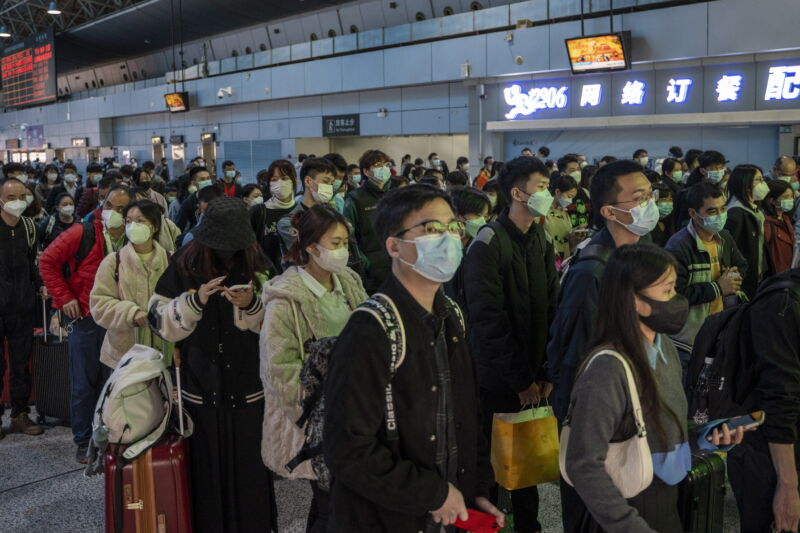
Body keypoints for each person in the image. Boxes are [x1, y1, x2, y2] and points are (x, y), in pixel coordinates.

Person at [324, 184, 502, 532]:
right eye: (432, 229)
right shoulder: (372, 328)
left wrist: (474, 490)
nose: (449, 238)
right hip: (388, 519)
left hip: (448, 513)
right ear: (394, 246)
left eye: (452, 227)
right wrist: (432, 493)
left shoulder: (451, 314)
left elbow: (465, 414)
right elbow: (347, 450)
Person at [563, 243, 746, 533]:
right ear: (634, 300)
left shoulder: (666, 350)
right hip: (625, 507)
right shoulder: (608, 368)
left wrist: (706, 435)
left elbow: (659, 426)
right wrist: (627, 525)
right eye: (668, 290)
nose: (677, 300)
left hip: (666, 498)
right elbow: (582, 462)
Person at [148, 197, 275, 532]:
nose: (227, 253)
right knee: (204, 480)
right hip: (199, 392)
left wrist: (251, 305)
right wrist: (196, 301)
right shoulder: (184, 264)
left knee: (249, 478)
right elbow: (158, 320)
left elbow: (279, 326)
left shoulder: (258, 263)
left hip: (249, 393)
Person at [464, 156, 559, 533]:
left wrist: (546, 372)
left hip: (536, 374)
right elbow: (488, 322)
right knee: (491, 462)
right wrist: (520, 380)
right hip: (499, 379)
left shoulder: (541, 237)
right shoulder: (487, 243)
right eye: (541, 187)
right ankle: (486, 525)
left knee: (527, 460)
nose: (547, 194)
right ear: (517, 193)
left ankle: (529, 526)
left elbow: (553, 307)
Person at [260, 205, 367, 533]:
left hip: (357, 410)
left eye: (346, 242)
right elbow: (279, 370)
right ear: (310, 247)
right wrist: (319, 418)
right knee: (330, 504)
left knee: (339, 502)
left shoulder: (347, 282)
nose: (343, 251)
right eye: (335, 243)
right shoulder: (285, 300)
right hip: (316, 421)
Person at [39, 185, 132, 462]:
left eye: (121, 209)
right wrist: (64, 296)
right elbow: (47, 262)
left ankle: (111, 434)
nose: (114, 213)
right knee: (83, 382)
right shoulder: (83, 232)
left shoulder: (133, 236)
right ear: (101, 206)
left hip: (118, 318)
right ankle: (84, 440)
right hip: (85, 317)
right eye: (110, 206)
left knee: (113, 380)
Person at [665, 181, 746, 381]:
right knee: (689, 398)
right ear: (693, 213)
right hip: (688, 340)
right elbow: (673, 295)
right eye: (711, 211)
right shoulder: (678, 247)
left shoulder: (724, 238)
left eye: (722, 209)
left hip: (720, 331)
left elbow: (742, 265)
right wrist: (717, 288)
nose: (719, 215)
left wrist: (735, 275)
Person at [89, 200, 171, 369]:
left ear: (154, 226)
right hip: (124, 353)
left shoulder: (171, 260)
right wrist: (131, 313)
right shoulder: (113, 261)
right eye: (128, 221)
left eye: (140, 221)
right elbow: (99, 304)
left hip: (165, 349)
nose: (133, 226)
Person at [0, 177, 45, 439]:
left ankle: (19, 414)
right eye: (10, 198)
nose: (16, 203)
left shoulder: (29, 227)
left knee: (20, 364)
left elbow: (32, 263)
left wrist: (39, 285)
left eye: (20, 197)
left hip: (22, 306)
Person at [343, 150, 393, 293]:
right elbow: (348, 236)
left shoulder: (396, 193)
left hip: (399, 265)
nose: (383, 168)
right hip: (372, 272)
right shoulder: (355, 199)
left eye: (386, 164)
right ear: (366, 171)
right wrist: (366, 263)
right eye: (378, 165)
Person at [444, 187, 491, 313]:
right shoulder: (442, 248)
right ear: (458, 215)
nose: (482, 221)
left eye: (485, 216)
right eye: (478, 215)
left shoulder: (479, 245)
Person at [725, 164, 769, 299]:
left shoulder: (753, 208)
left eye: (762, 179)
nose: (763, 184)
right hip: (744, 280)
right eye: (758, 180)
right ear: (745, 183)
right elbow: (731, 252)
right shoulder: (735, 213)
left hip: (757, 275)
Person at [278, 157, 336, 253]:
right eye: (325, 181)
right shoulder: (288, 222)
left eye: (332, 183)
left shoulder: (332, 213)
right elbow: (308, 252)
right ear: (308, 181)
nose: (330, 187)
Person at [251, 159, 298, 274]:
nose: (280, 183)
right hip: (267, 278)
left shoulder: (301, 211)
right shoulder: (258, 212)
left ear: (295, 181)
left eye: (285, 178)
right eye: (274, 180)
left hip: (298, 277)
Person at [763, 179, 796, 275]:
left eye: (792, 196)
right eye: (786, 197)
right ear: (772, 200)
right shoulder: (766, 224)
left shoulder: (785, 219)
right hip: (777, 275)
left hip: (788, 271)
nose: (791, 200)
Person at [545, 174, 580, 261]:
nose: (570, 201)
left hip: (564, 259)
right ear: (557, 192)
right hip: (548, 259)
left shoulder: (564, 213)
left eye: (572, 198)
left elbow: (565, 239)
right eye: (569, 196)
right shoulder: (542, 211)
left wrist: (575, 235)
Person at [176, 166, 215, 232]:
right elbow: (179, 227)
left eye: (208, 178)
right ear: (194, 183)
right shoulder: (188, 203)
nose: (206, 182)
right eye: (202, 179)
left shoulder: (218, 197)